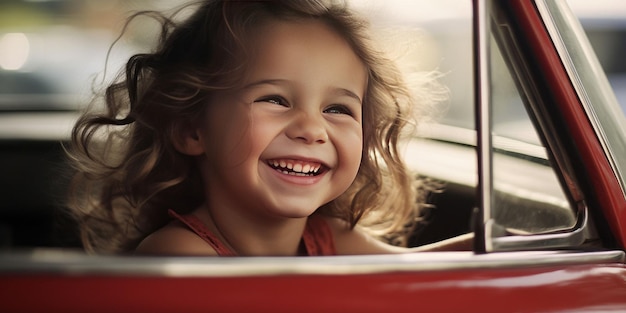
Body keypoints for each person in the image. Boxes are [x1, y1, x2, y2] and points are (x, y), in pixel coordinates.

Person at [68, 0, 466, 256]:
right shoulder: (178, 254)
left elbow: (430, 272)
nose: (312, 129)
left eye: (337, 108)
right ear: (191, 129)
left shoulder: (327, 239)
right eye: (275, 100)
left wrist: (515, 244)